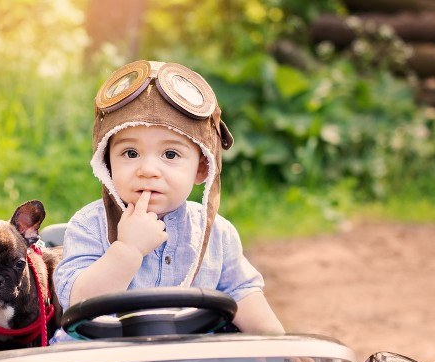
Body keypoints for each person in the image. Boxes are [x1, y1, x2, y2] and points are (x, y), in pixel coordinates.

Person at [52, 59, 285, 335]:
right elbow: (76, 302)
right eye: (130, 153)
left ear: (202, 168)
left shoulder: (217, 235)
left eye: (170, 155)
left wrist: (277, 343)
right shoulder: (89, 226)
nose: (148, 170)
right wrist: (127, 250)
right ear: (107, 162)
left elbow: (242, 293)